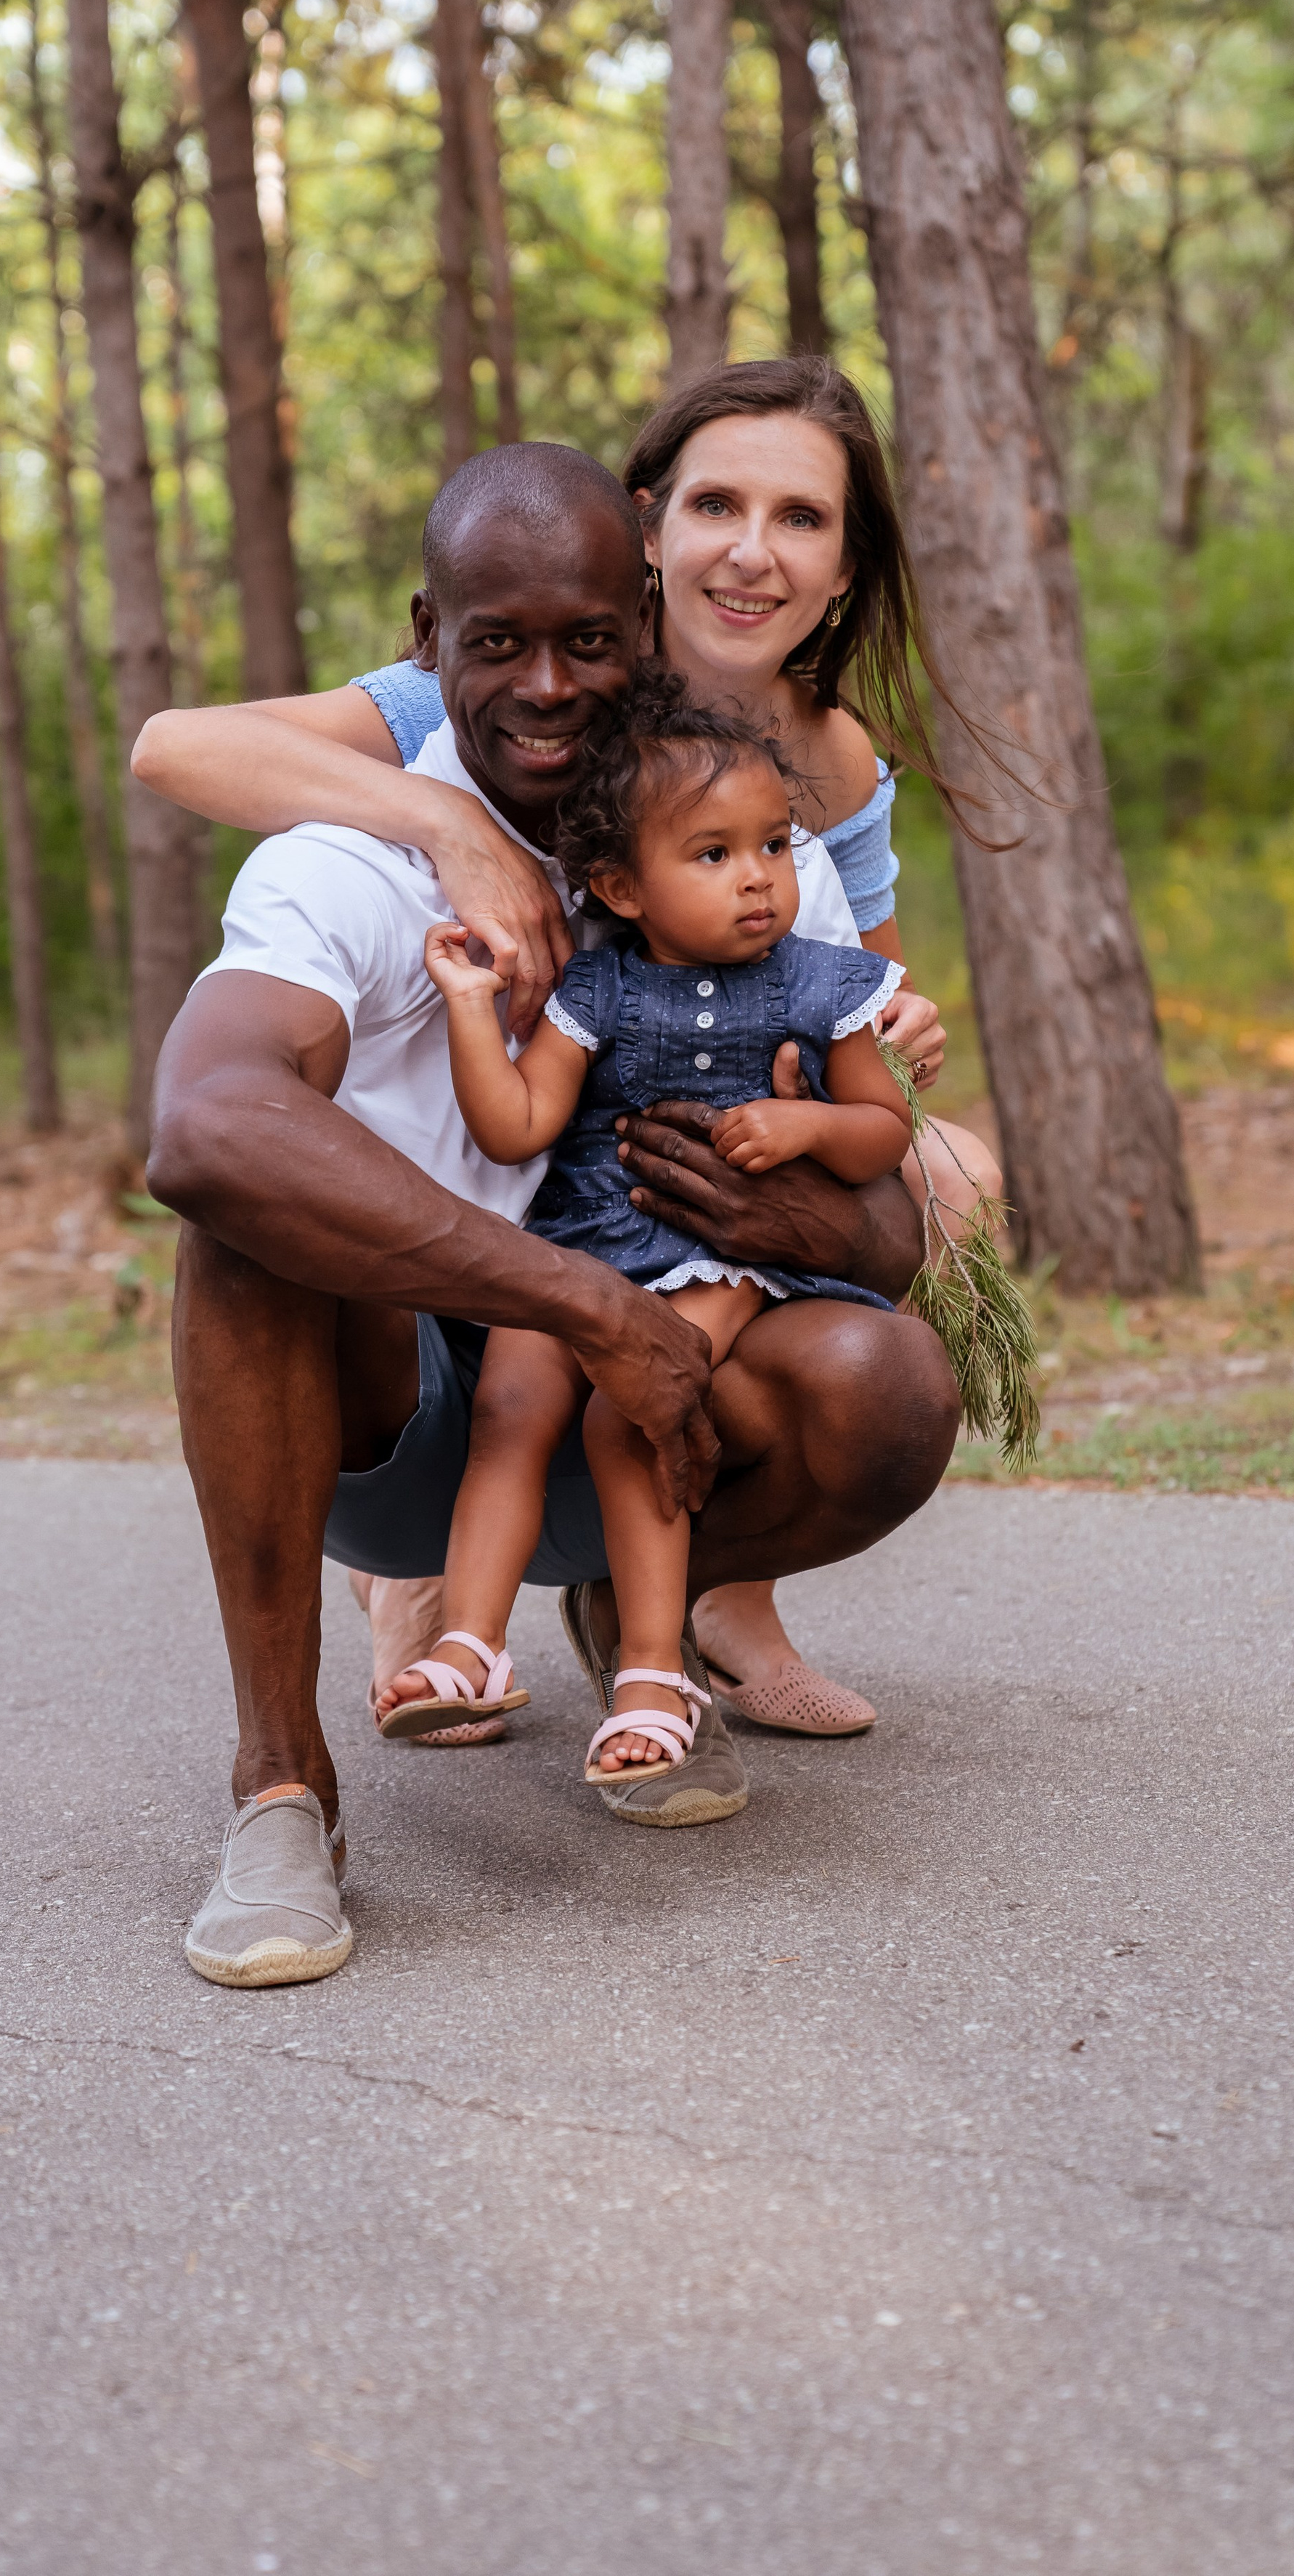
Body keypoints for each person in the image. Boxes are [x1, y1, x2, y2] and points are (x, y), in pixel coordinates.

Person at [145, 443, 961, 1986]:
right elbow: (201, 1124)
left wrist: (775, 1206)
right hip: (402, 1406)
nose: (545, 685)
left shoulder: (744, 851)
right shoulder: (348, 855)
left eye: (588, 641)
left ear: (644, 630)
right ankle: (277, 1789)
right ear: (423, 640)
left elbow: (889, 1245)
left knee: (888, 1384)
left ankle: (634, 1610)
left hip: (654, 1401)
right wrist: (582, 1303)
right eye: (495, 643)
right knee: (244, 1219)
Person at [391, 684, 915, 1783]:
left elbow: (881, 1132)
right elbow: (516, 1121)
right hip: (584, 1239)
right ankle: (469, 1647)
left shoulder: (822, 983)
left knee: (636, 1416)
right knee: (511, 1404)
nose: (761, 875)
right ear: (622, 888)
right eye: (714, 854)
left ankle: (647, 1673)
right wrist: (469, 1009)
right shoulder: (598, 989)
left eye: (773, 843)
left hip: (723, 1254)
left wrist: (807, 1120)